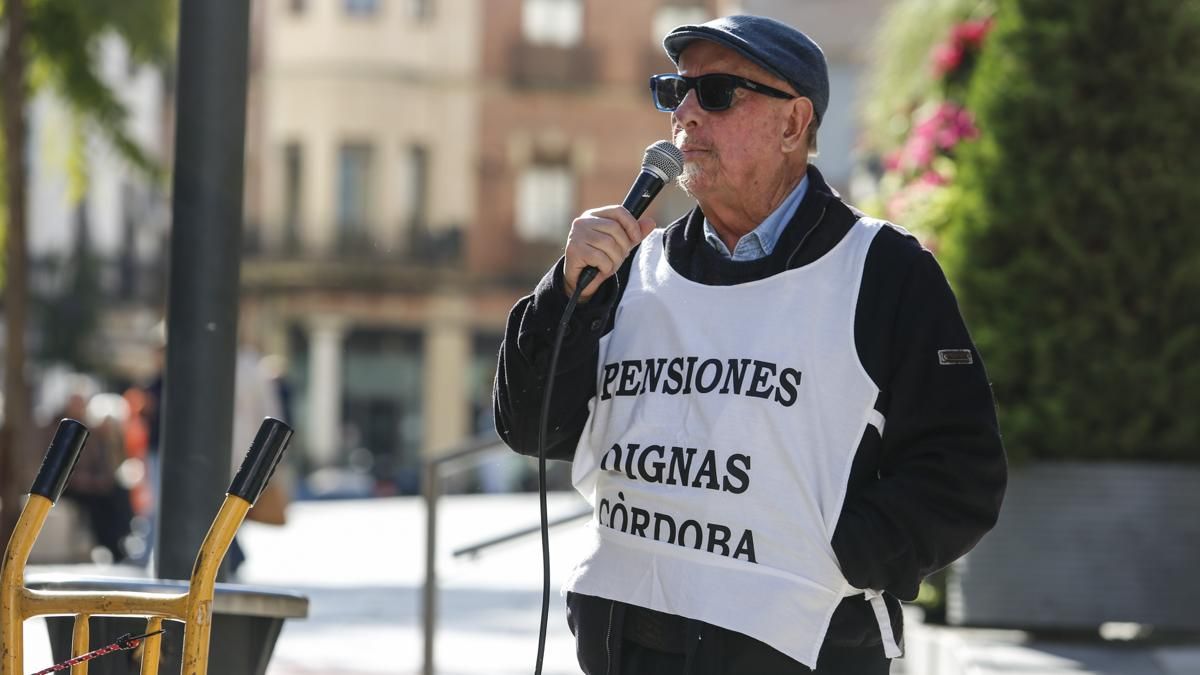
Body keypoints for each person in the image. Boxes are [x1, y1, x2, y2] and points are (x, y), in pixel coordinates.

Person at [493, 14, 1007, 675]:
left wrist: (837, 553)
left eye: (715, 94)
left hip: (799, 652)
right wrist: (564, 296)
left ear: (793, 125)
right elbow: (531, 425)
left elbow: (963, 474)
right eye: (673, 90)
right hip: (629, 650)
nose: (684, 115)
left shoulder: (882, 271)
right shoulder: (627, 271)